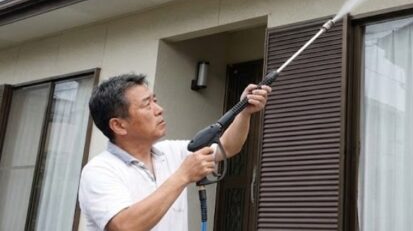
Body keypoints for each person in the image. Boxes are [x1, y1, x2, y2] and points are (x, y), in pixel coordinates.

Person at [78, 73, 270, 231]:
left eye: (155, 101)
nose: (159, 109)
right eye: (147, 104)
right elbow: (125, 226)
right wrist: (183, 176)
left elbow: (228, 146)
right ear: (118, 125)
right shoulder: (99, 171)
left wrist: (244, 112)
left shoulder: (170, 151)